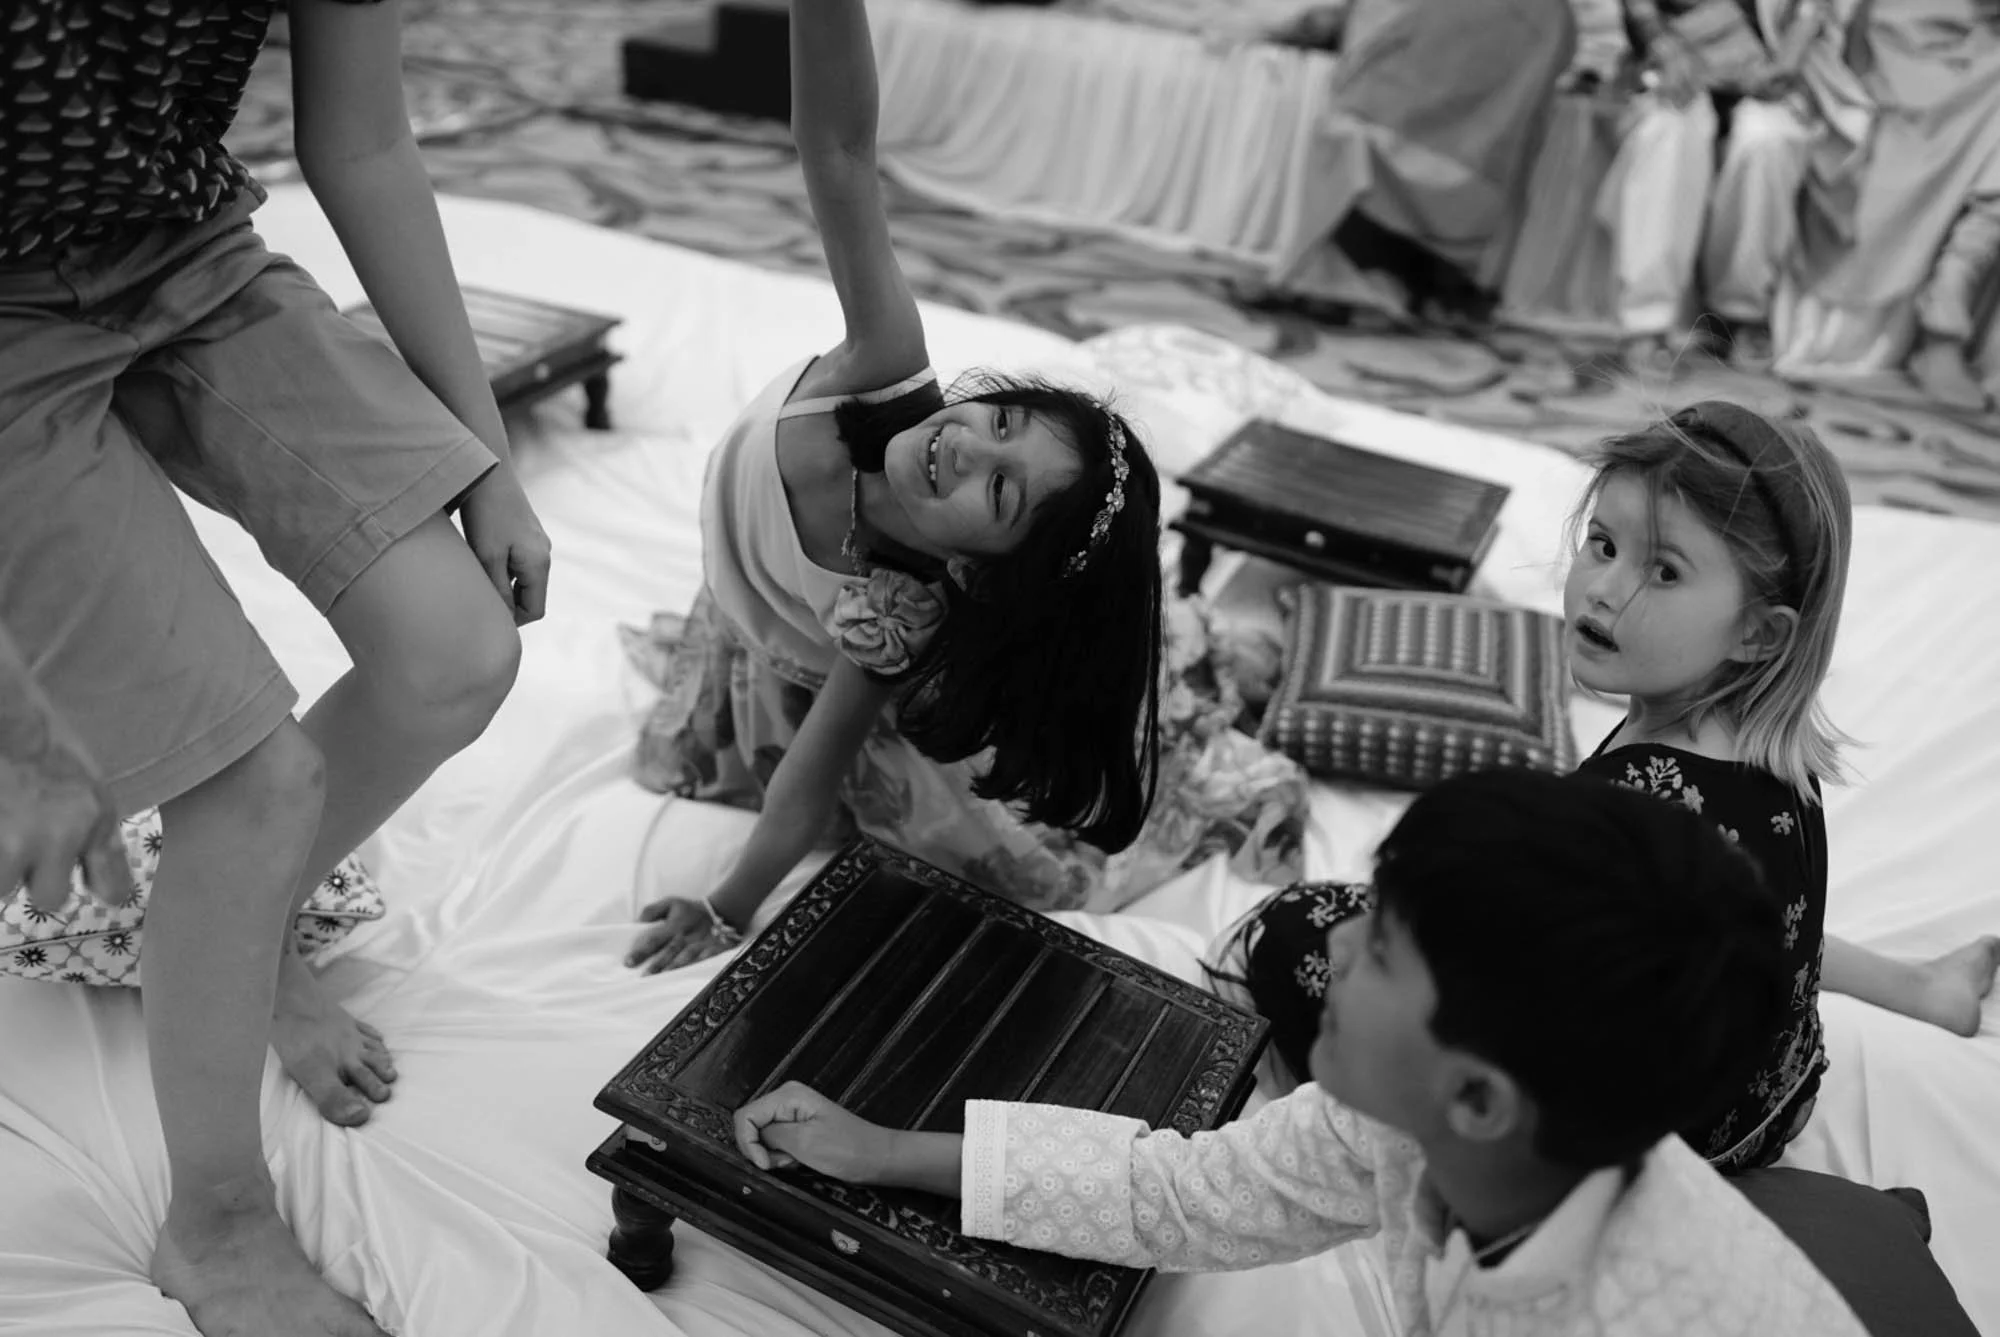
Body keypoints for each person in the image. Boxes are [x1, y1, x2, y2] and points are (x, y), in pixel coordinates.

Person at [0, 3, 551, 1334]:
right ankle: (218, 1225)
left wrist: (485, 457)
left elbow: (362, 142)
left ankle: (245, 942)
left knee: (456, 651)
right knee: (254, 785)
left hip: (190, 249)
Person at [622, 0, 1303, 973]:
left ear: (977, 568)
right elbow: (840, 152)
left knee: (1068, 753)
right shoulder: (883, 365)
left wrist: (726, 906)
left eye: (999, 493)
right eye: (1002, 422)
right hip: (754, 602)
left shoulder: (894, 613)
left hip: (802, 637)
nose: (966, 447)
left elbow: (805, 786)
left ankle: (1210, 653)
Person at [731, 769, 1868, 1336]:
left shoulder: (1637, 1306)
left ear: (1478, 1095)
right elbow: (1177, 1192)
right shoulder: (1410, 1117)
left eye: (1382, 949)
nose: (1335, 941)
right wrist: (884, 1150)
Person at [1211, 402, 1998, 1179]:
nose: (1604, 588)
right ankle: (1917, 986)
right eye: (1604, 544)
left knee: (1298, 929)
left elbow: (1527, 999)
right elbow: (1768, 929)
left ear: (1759, 633)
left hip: (1648, 1147)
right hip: (1769, 1101)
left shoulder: (1628, 805)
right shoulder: (1771, 749)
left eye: (1664, 571)